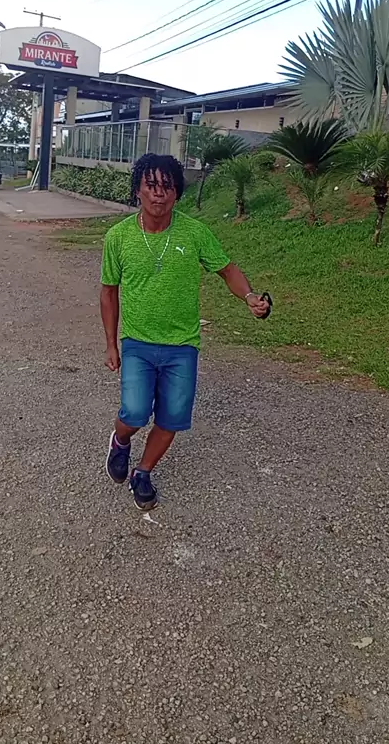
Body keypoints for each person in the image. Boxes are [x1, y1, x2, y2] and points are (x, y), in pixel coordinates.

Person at [100, 153, 270, 511]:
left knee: (171, 418)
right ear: (137, 191)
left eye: (167, 186)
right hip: (137, 343)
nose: (158, 194)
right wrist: (111, 344)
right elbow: (109, 292)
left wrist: (250, 296)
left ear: (177, 193)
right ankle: (120, 441)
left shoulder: (195, 233)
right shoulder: (118, 237)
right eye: (150, 185)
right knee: (134, 413)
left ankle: (143, 472)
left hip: (182, 346)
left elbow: (227, 270)